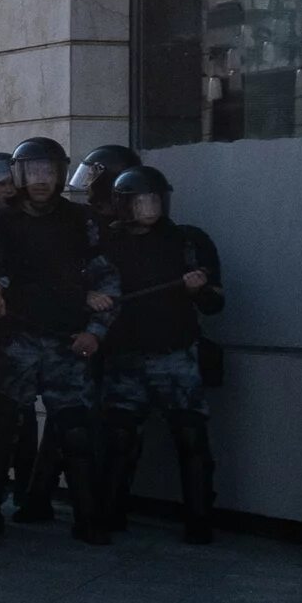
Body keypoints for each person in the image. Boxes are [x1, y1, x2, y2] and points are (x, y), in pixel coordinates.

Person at [0, 135, 117, 540]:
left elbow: (108, 280)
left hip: (67, 339)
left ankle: (89, 520)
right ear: (19, 175)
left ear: (60, 174)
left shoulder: (82, 221)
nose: (41, 180)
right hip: (16, 339)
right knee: (1, 429)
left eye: (49, 171)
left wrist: (95, 332)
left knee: (76, 432)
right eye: (33, 171)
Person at [97, 165, 225, 543]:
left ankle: (200, 522)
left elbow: (216, 302)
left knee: (191, 436)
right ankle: (109, 515)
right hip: (124, 356)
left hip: (175, 353)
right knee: (119, 439)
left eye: (154, 199)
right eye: (139, 200)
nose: (148, 207)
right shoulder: (106, 242)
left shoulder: (187, 241)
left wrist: (199, 289)